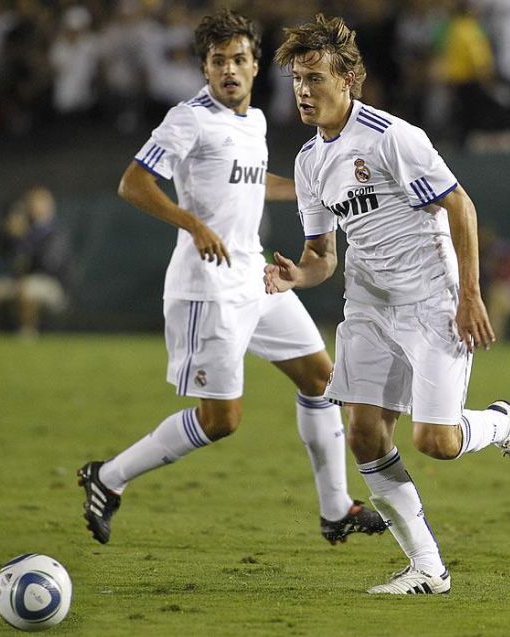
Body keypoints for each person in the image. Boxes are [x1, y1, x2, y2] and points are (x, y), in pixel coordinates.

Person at [77, 9, 385, 547]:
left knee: (322, 379)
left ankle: (336, 509)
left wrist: (308, 187)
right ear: (205, 67)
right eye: (218, 61)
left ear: (254, 65)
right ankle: (108, 477)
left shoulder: (255, 122)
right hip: (208, 287)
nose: (229, 70)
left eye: (239, 59)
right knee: (221, 420)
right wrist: (193, 224)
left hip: (254, 277)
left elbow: (249, 181)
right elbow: (134, 183)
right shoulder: (188, 120)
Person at [267, 13, 510, 595]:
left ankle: (503, 424)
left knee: (436, 443)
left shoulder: (392, 137)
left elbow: (460, 206)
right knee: (364, 434)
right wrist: (298, 274)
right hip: (368, 306)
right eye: (297, 79)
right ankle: (427, 568)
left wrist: (469, 295)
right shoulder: (308, 161)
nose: (303, 90)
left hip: (430, 300)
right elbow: (322, 255)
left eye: (315, 77)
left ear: (349, 79)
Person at [0, 185, 70, 335]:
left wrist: (23, 239)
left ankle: (27, 333)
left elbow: (48, 265)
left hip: (52, 285)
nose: (32, 205)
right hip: (19, 281)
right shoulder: (25, 228)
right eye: (30, 201)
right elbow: (4, 251)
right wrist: (10, 234)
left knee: (26, 289)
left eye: (38, 201)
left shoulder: (56, 231)